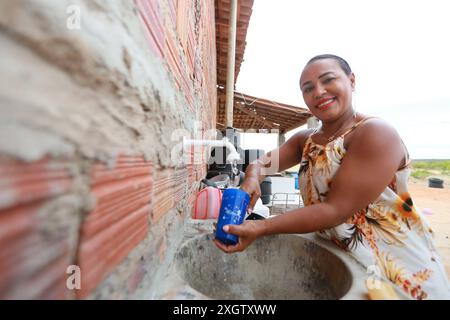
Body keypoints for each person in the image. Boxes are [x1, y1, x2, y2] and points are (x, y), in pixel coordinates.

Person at [214, 54, 450, 299]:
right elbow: (262, 163)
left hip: (394, 267)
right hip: (342, 260)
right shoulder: (304, 140)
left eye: (328, 80)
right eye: (308, 88)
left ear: (351, 80)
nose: (318, 91)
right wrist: (252, 178)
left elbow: (335, 210)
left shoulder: (375, 133)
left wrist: (260, 227)